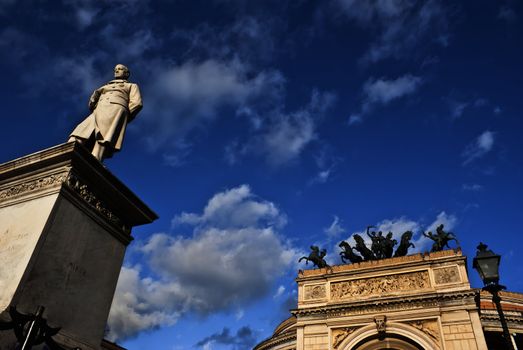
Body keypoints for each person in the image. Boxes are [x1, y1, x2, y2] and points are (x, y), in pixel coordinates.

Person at [68, 64, 142, 161]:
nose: (116, 71)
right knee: (81, 130)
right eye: (115, 69)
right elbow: (94, 100)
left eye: (120, 69)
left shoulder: (131, 85)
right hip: (99, 110)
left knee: (104, 136)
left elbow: (137, 103)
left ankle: (96, 157)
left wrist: (123, 115)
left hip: (116, 110)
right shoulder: (106, 86)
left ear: (126, 73)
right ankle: (68, 151)